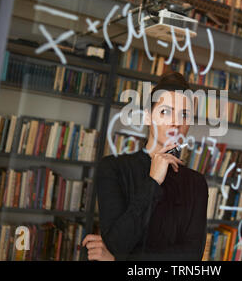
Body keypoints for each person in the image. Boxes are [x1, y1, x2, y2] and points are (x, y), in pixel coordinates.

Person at [82, 71, 209, 261]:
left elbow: (191, 258)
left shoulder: (196, 183)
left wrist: (119, 260)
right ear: (149, 117)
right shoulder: (113, 169)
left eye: (184, 114)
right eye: (166, 112)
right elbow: (117, 243)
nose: (176, 122)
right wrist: (153, 181)